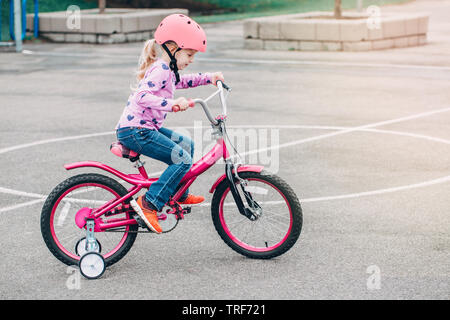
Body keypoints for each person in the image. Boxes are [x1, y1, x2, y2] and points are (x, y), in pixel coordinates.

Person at [115, 14, 224, 234]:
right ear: (173, 48)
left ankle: (178, 192)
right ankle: (149, 204)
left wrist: (210, 77)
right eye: (189, 54)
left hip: (144, 128)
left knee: (187, 146)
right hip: (136, 131)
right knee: (182, 159)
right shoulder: (160, 70)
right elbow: (142, 97)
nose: (191, 60)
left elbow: (183, 81)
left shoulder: (168, 70)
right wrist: (171, 104)